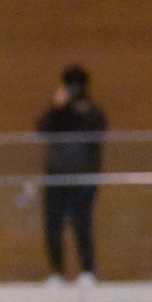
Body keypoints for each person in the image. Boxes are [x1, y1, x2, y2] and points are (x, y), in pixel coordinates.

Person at [36, 65, 106, 285]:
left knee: (82, 224)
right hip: (56, 177)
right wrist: (56, 107)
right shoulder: (58, 114)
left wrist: (82, 110)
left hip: (83, 178)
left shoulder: (93, 112)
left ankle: (87, 270)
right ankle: (56, 272)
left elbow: (97, 133)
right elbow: (42, 129)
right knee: (53, 225)